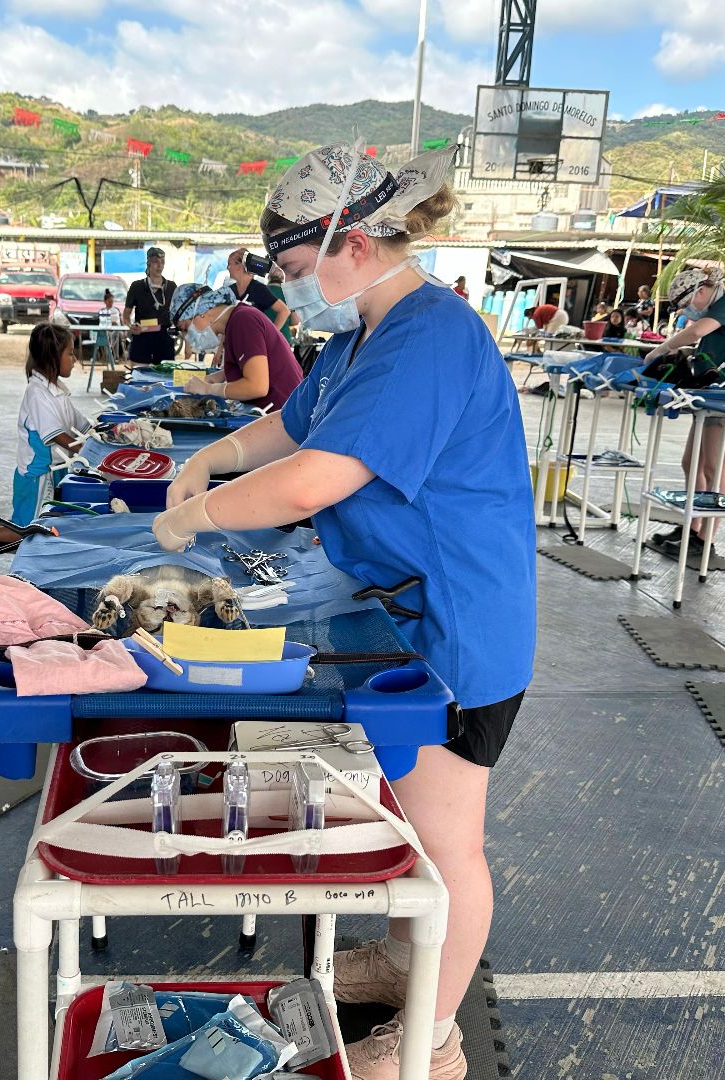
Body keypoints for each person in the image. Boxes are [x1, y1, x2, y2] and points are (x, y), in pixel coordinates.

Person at [152, 144, 535, 1080]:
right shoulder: (362, 335)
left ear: (352, 242)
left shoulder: (432, 335)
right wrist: (212, 460)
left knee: (447, 847)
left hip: (457, 624)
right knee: (408, 822)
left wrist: (198, 515)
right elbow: (289, 429)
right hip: (400, 611)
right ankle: (408, 959)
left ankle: (429, 1047)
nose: (292, 288)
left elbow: (318, 476)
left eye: (293, 268)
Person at [0, 322, 89, 560]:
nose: (75, 359)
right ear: (52, 358)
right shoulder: (37, 394)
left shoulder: (55, 390)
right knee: (28, 531)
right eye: (70, 353)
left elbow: (77, 422)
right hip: (37, 475)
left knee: (26, 522)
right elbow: (55, 434)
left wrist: (99, 432)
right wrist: (87, 450)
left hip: (50, 470)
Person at [643, 266, 725, 560]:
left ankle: (706, 539)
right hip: (707, 394)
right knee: (691, 463)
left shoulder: (722, 303)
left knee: (714, 470)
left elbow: (697, 331)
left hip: (721, 398)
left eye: (686, 304)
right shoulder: (712, 308)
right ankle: (691, 528)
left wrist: (661, 348)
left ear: (701, 291)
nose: (687, 311)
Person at [170, 283, 302, 411]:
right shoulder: (235, 321)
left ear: (200, 312)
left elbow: (257, 386)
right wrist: (216, 378)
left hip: (283, 412)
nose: (188, 336)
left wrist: (208, 389)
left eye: (186, 328)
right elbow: (250, 365)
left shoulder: (243, 320)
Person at [123, 247, 177, 366]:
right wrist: (131, 327)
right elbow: (126, 315)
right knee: (138, 375)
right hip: (142, 335)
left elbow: (178, 314)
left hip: (164, 337)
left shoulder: (172, 287)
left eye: (162, 262)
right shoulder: (137, 286)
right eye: (155, 262)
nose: (159, 266)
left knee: (165, 376)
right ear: (149, 263)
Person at [227, 248, 291, 333]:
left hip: (253, 341)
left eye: (229, 264)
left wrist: (269, 335)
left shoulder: (257, 289)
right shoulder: (231, 290)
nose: (227, 268)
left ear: (240, 266)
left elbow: (284, 311)